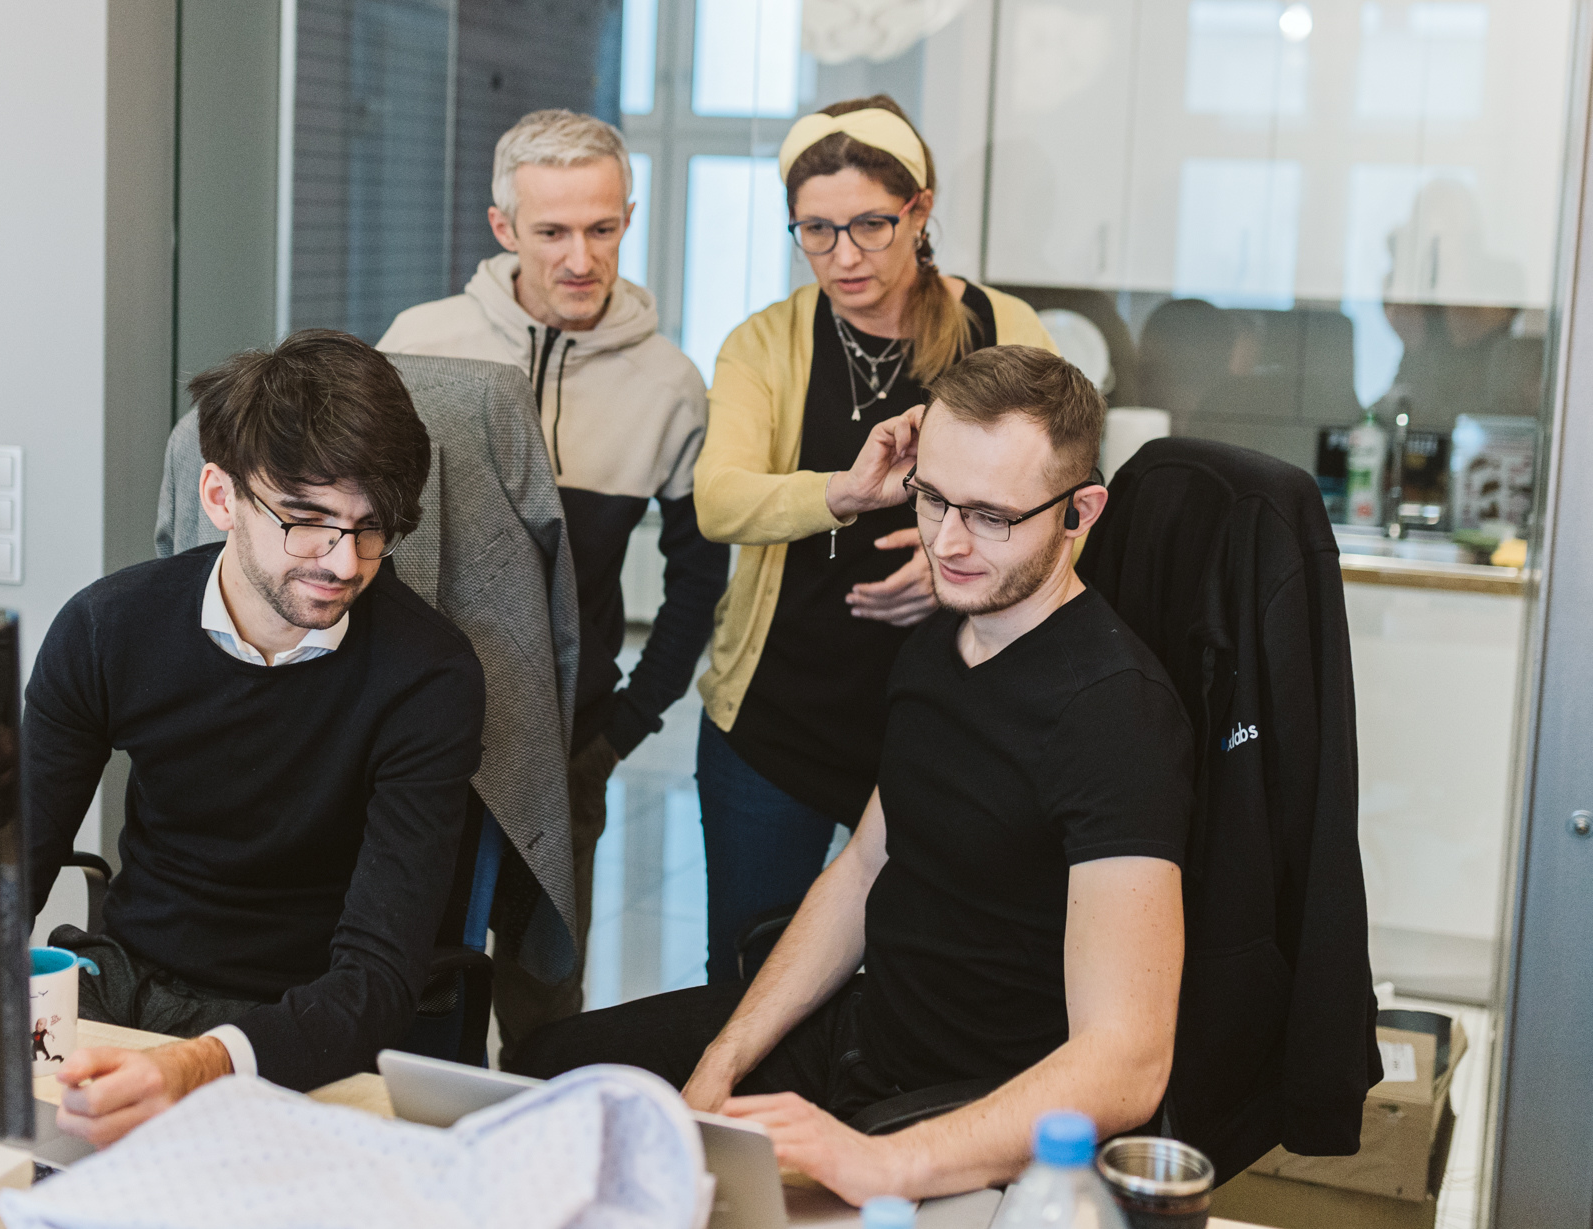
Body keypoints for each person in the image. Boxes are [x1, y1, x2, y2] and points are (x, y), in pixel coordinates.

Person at [511, 346, 1194, 1205]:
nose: (947, 542)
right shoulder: (940, 642)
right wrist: (724, 1054)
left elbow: (1128, 1058)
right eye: (934, 496)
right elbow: (864, 868)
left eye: (989, 515)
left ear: (1079, 511)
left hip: (976, 1102)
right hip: (868, 1037)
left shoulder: (1115, 714)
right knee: (552, 1074)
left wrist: (883, 1163)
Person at [24, 330, 485, 1148]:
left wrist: (199, 1064)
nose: (343, 562)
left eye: (370, 527)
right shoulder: (107, 630)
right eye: (306, 521)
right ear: (218, 495)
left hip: (298, 1026)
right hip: (122, 988)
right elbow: (8, 870)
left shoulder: (429, 677)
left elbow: (376, 979)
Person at [693, 94, 1057, 983]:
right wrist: (843, 493)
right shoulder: (765, 343)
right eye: (814, 231)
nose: (842, 256)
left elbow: (1067, 509)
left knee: (918, 977)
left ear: (921, 211)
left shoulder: (1005, 332)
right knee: (750, 974)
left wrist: (955, 575)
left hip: (950, 722)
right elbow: (719, 498)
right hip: (775, 724)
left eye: (869, 225)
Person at [379, 108, 727, 1038]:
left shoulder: (669, 385)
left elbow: (700, 579)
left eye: (604, 228)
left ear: (628, 218)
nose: (582, 257)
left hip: (570, 737)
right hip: (418, 731)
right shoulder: (422, 343)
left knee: (543, 995)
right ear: (504, 230)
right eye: (553, 232)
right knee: (404, 968)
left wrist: (621, 727)